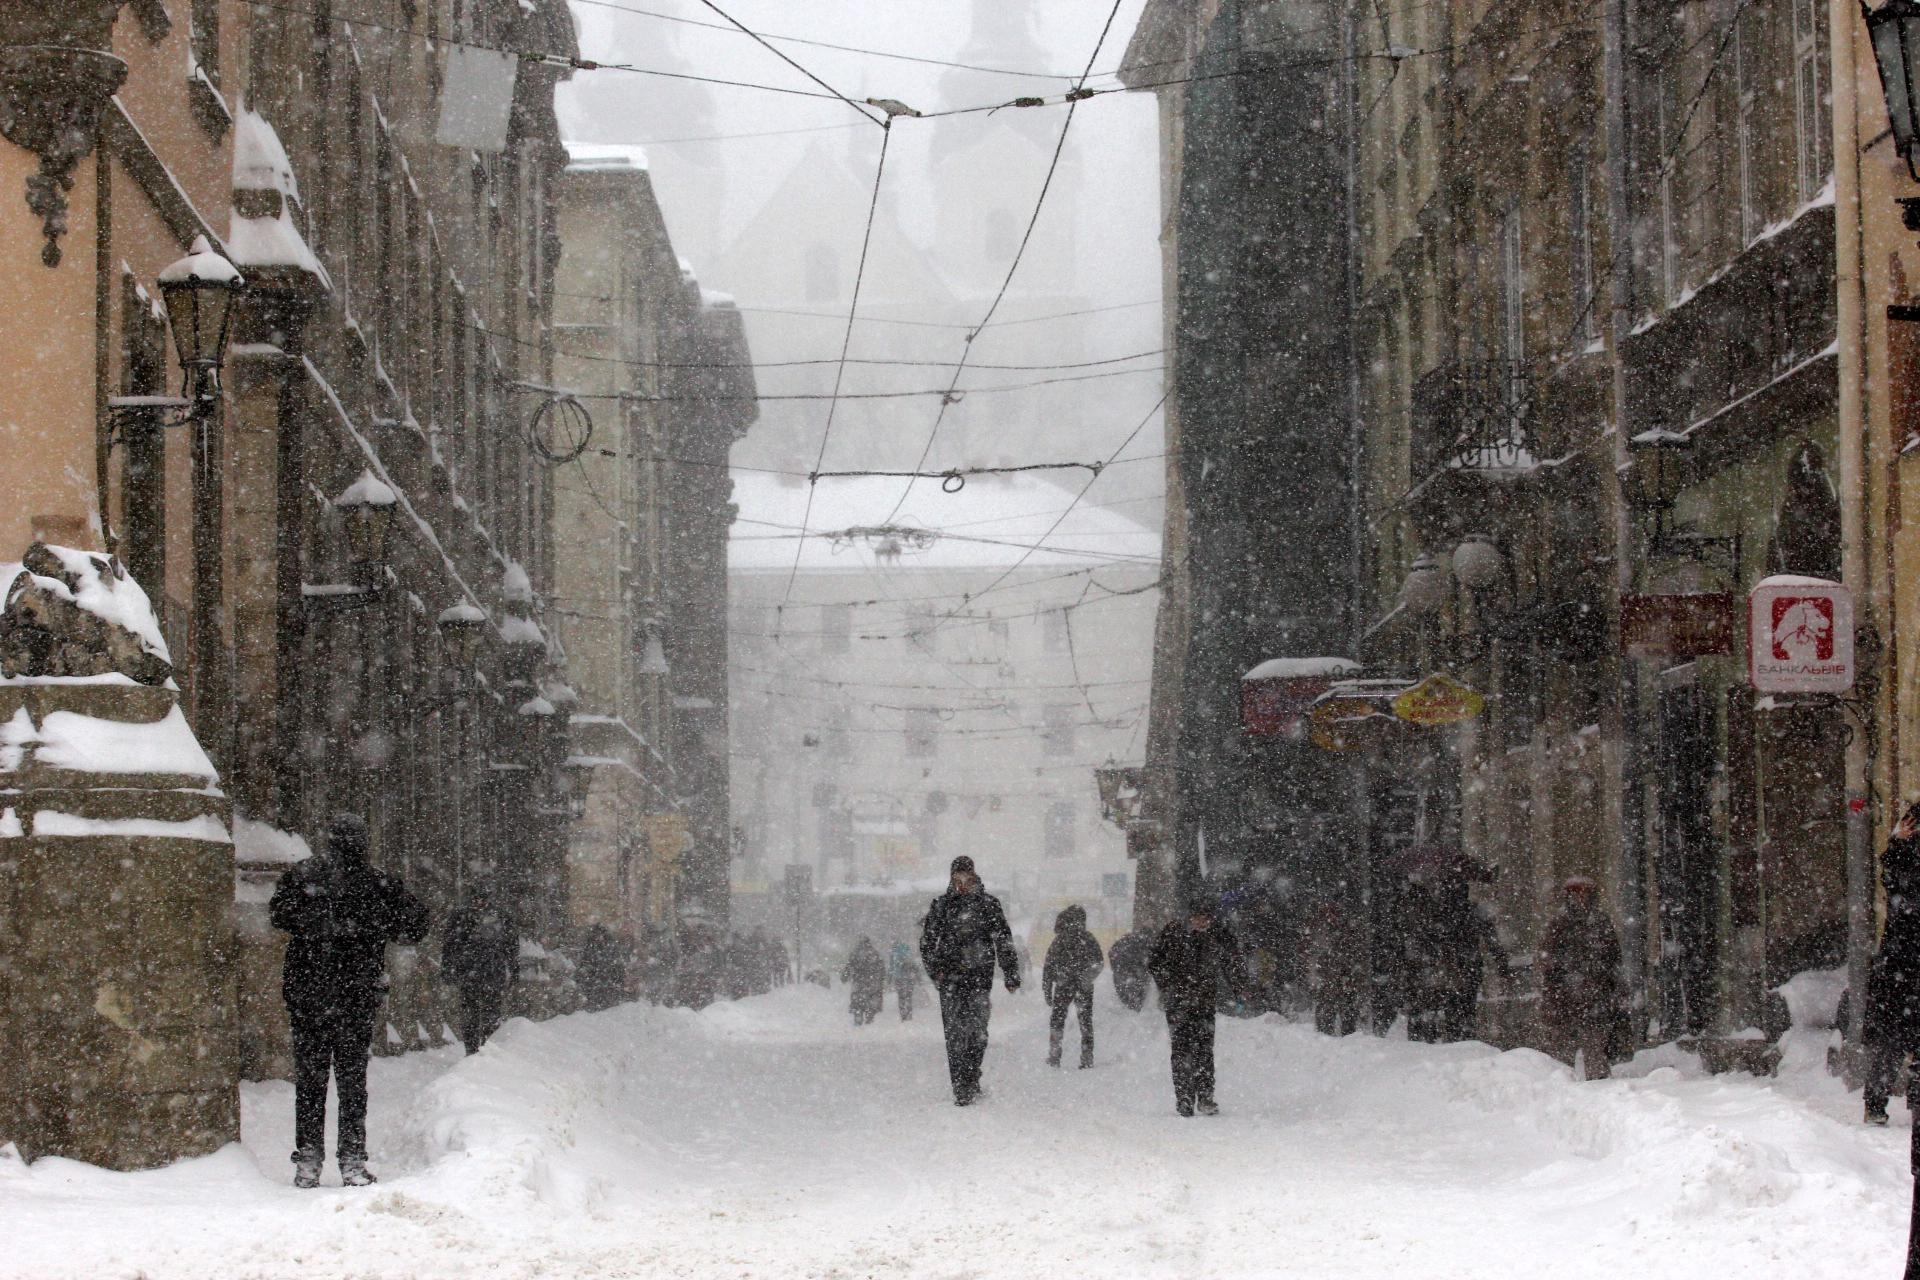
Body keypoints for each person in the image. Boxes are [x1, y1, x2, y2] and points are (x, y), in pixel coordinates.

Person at [269, 812, 429, 1188]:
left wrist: (321, 926)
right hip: (353, 995)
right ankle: (351, 1157)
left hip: (311, 992)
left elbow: (279, 914)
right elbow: (417, 923)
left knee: (312, 1080)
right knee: (352, 1080)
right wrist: (372, 926)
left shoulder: (307, 876)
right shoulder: (376, 883)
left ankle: (310, 1157)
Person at [919, 855, 1020, 1105]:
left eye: (967, 876)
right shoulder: (942, 906)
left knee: (977, 1034)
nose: (962, 882)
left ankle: (971, 1074)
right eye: (958, 877)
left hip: (979, 978)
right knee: (954, 1036)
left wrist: (1010, 973)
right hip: (950, 980)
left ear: (974, 876)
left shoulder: (988, 905)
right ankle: (961, 1087)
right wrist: (937, 971)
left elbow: (1003, 940)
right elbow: (927, 942)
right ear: (952, 878)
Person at [1148, 895, 1242, 1116]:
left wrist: (1238, 989)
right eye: (1199, 918)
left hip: (1204, 1003)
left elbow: (1232, 962)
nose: (1203, 923)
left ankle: (1206, 1097)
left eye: (1207, 919)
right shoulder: (1173, 933)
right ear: (1190, 917)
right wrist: (1168, 985)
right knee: (1181, 1051)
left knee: (1204, 1052)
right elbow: (1154, 961)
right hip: (1178, 1004)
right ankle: (1185, 1099)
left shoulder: (1217, 935)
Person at [1865, 803, 1920, 1124]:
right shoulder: (1904, 860)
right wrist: (1898, 843)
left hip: (1900, 965)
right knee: (1894, 1042)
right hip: (1902, 966)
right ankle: (1876, 1103)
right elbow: (1897, 891)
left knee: (1895, 1041)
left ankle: (1886, 1104)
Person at [1538, 876, 1624, 1080]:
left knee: (1595, 1054)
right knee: (1560, 1059)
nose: (1582, 899)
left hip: (1594, 1000)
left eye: (1586, 894)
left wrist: (1607, 985)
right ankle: (1561, 1092)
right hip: (1564, 1002)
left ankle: (1600, 1094)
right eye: (1577, 894)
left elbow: (1614, 958)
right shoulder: (1558, 924)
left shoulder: (1601, 922)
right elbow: (1546, 961)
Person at [442, 884, 519, 1055]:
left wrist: (513, 968)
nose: (479, 902)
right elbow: (449, 944)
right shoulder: (462, 915)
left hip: (489, 970)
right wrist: (448, 968)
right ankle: (473, 1050)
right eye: (476, 898)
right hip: (472, 971)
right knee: (472, 1013)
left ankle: (485, 1047)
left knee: (489, 1013)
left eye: (482, 899)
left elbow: (511, 945)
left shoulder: (500, 916)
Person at [1042, 905, 1105, 1068]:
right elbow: (1099, 962)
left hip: (1063, 986)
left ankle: (1054, 1056)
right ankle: (1087, 1057)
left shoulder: (1059, 940)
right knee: (1085, 1021)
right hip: (1083, 987)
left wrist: (1047, 989)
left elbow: (1048, 966)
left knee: (1057, 1020)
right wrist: (1087, 978)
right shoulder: (1088, 938)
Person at [576, 923, 629, 1012]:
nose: (598, 937)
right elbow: (585, 961)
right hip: (595, 975)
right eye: (596, 935)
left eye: (599, 935)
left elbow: (615, 960)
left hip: (608, 974)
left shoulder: (611, 946)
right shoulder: (589, 946)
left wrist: (611, 969)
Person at [842, 936, 887, 1025]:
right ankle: (869, 1019)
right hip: (872, 982)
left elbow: (849, 965)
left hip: (858, 981)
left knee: (857, 1001)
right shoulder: (874, 953)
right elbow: (881, 967)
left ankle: (858, 1018)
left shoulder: (855, 953)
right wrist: (882, 978)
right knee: (871, 1001)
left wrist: (845, 976)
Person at [1108, 928, 1153, 1012]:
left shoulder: (1122, 942)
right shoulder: (1144, 942)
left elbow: (1111, 953)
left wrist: (1115, 967)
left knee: (1123, 987)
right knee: (1140, 986)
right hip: (1137, 968)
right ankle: (1137, 1004)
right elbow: (1150, 956)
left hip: (1122, 968)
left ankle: (1129, 1004)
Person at [889, 939, 921, 1021]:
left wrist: (889, 978)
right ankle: (909, 1014)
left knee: (901, 997)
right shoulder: (908, 951)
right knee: (909, 996)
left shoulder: (894, 953)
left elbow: (891, 967)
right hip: (910, 977)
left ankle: (903, 1014)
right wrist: (918, 977)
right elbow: (914, 964)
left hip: (898, 977)